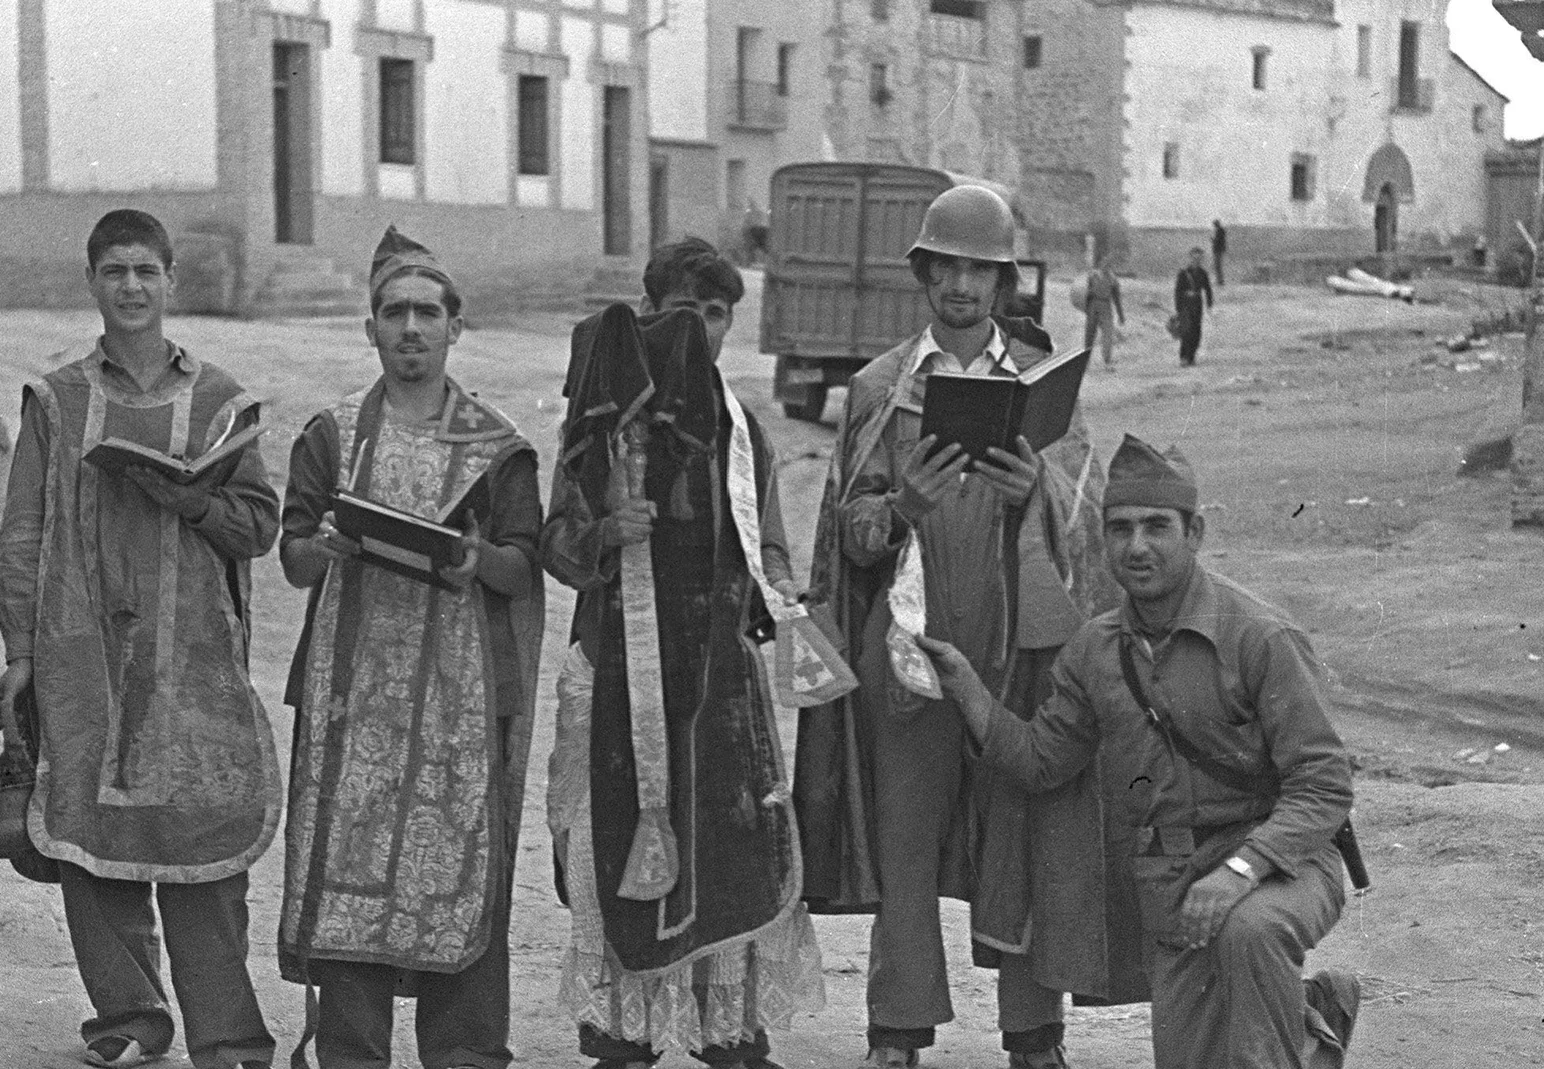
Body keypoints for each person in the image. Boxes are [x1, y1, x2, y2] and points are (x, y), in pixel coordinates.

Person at [795, 184, 1135, 1069]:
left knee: (1024, 828)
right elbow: (847, 536)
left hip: (1019, 646)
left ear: (1002, 281)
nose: (960, 284)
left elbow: (1091, 520)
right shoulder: (879, 388)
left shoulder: (1042, 388)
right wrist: (901, 505)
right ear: (923, 273)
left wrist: (1039, 493)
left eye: (978, 270)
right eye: (945, 266)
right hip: (906, 647)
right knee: (903, 836)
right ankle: (897, 1029)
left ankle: (1034, 1032)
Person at [915, 435, 1363, 1069]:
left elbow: (1324, 784)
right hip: (1172, 876)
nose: (1137, 547)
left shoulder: (1259, 636)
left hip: (1281, 862)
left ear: (1194, 533)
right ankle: (1312, 1019)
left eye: (1157, 527)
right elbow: (1043, 761)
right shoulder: (1095, 649)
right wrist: (968, 690)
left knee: (1250, 931)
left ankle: (1281, 1030)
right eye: (1120, 529)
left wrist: (1240, 871)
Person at [0, 209, 283, 1069]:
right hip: (83, 652)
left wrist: (196, 500)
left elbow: (259, 525)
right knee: (92, 835)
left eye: (146, 271)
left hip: (194, 657)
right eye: (114, 271)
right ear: (92, 282)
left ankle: (228, 1036)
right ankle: (130, 1015)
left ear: (170, 281)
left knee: (201, 833)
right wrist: (20, 652)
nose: (131, 286)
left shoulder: (222, 399)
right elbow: (22, 532)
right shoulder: (57, 400)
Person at [543, 237, 823, 1069]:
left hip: (719, 682)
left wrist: (783, 597)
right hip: (620, 674)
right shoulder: (605, 423)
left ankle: (726, 1029)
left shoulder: (744, 432)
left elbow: (769, 547)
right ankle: (622, 1031)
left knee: (729, 844)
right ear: (646, 315)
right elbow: (555, 542)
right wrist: (605, 532)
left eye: (715, 314)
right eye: (682, 313)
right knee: (615, 838)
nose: (700, 330)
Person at [277, 226, 544, 1069]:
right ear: (371, 329)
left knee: (460, 869)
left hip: (459, 697)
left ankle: (465, 1051)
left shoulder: (497, 447)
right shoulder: (331, 437)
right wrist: (324, 546)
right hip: (352, 695)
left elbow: (524, 565)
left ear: (455, 327)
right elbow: (292, 557)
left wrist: (475, 561)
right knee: (348, 871)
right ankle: (353, 1053)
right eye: (394, 313)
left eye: (428, 313)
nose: (411, 328)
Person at [1081, 254, 1125, 369]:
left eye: (1108, 264)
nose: (1106, 266)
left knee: (1108, 334)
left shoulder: (1113, 279)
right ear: (1100, 264)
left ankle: (1107, 361)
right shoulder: (1092, 276)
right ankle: (1084, 361)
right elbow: (1082, 293)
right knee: (1089, 335)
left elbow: (1117, 298)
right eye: (1104, 263)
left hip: (1106, 306)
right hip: (1093, 306)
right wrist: (1086, 307)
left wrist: (1121, 315)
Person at [1174, 248, 1213, 367]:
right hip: (1185, 304)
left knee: (1196, 332)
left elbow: (1208, 289)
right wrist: (1178, 307)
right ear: (1190, 258)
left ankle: (1191, 356)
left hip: (1197, 304)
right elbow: (1178, 291)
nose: (1196, 260)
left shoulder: (1203, 273)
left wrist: (1209, 303)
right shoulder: (1183, 273)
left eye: (1199, 258)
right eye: (1194, 258)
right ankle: (1184, 357)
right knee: (1186, 331)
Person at [1210, 220, 1228, 287]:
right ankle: (1220, 280)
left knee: (1217, 266)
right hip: (1219, 250)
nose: (1214, 226)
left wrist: (1212, 240)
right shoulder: (1220, 231)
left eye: (1214, 225)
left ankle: (1220, 281)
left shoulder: (1219, 231)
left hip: (1218, 251)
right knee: (1218, 266)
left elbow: (1217, 241)